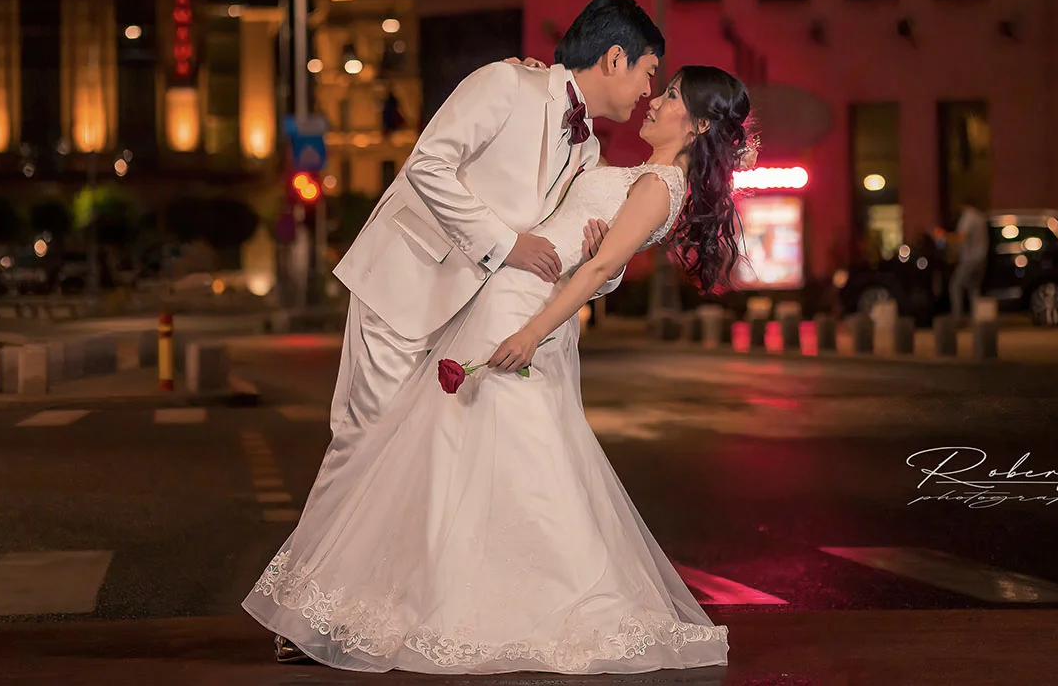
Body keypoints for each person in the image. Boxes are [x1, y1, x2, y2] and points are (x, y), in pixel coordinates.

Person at [244, 66, 751, 674]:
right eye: (658, 82)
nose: (654, 98)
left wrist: (531, 334)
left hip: (522, 312)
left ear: (695, 126)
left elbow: (595, 273)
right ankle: (435, 591)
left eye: (670, 96)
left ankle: (505, 599)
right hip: (509, 296)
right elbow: (589, 251)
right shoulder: (627, 169)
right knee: (456, 454)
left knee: (496, 450)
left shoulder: (659, 185)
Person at [311, 0, 660, 502]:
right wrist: (506, 244)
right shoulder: (505, 83)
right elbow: (427, 165)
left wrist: (602, 263)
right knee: (364, 444)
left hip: (470, 318)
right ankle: (314, 580)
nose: (648, 90)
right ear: (613, 58)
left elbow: (572, 243)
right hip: (405, 284)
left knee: (417, 463)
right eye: (648, 71)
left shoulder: (588, 151)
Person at [947, 201, 988, 321]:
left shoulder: (969, 217)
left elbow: (962, 237)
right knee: (973, 288)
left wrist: (944, 237)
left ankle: (957, 317)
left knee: (955, 286)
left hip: (970, 259)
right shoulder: (980, 217)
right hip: (981, 258)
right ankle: (978, 318)